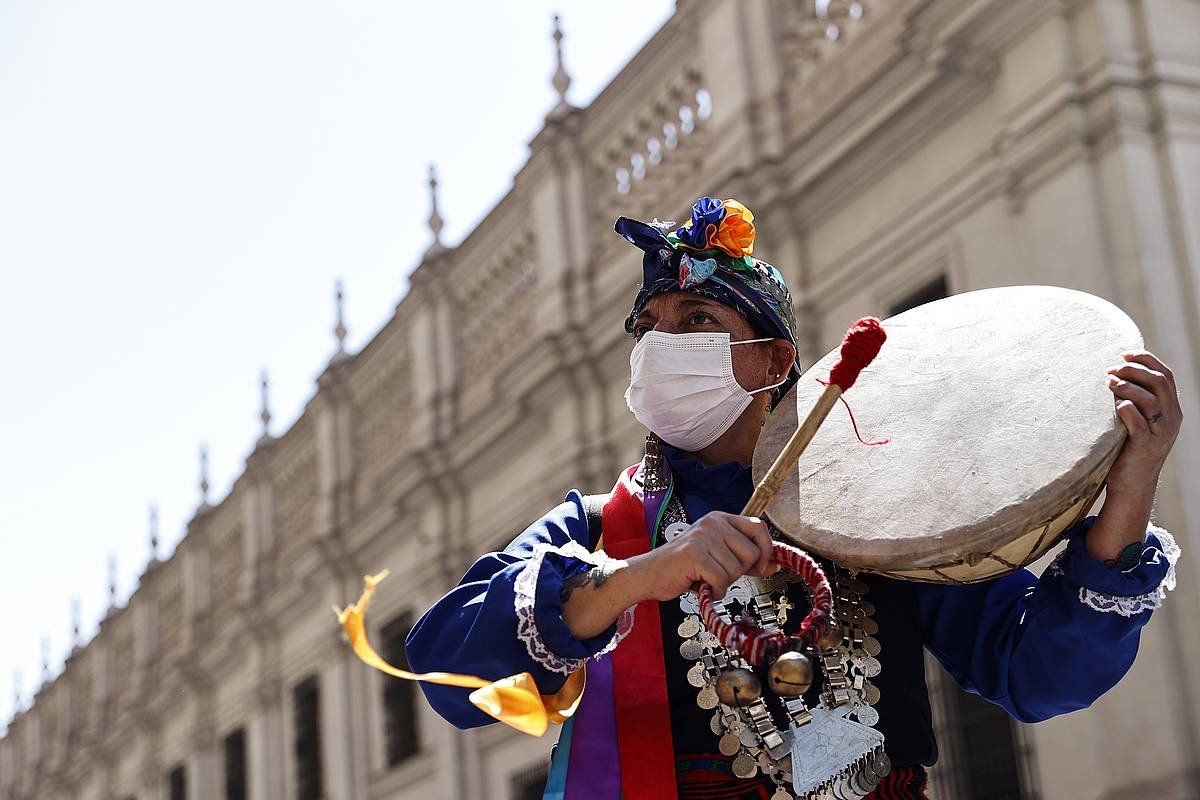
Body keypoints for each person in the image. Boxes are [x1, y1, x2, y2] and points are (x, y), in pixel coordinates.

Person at [405, 197, 1183, 800]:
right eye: (649, 329)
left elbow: (1039, 675)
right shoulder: (605, 528)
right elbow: (448, 669)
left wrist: (1131, 483)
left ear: (774, 356)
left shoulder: (878, 509)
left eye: (697, 320)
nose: (662, 345)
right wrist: (642, 574)